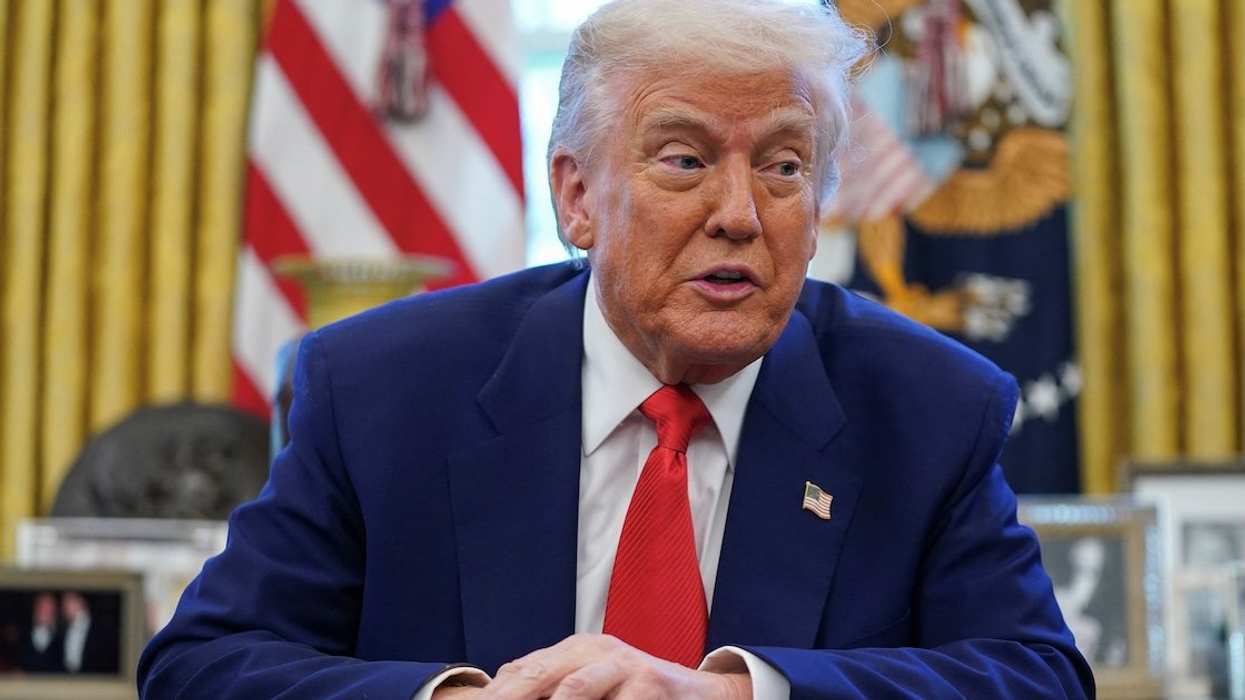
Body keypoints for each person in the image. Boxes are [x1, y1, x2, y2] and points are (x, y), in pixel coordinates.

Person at [138, 0, 1093, 697]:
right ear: (576, 197)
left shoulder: (927, 406)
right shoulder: (382, 387)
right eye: (684, 159)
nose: (738, 213)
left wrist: (737, 694)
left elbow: (1036, 676)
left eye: (783, 166)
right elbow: (203, 665)